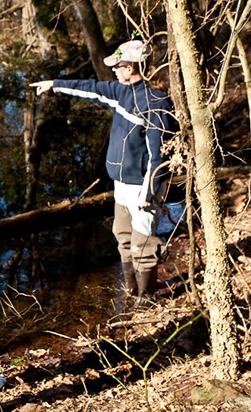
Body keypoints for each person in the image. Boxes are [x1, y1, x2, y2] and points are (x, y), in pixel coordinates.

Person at [30, 39, 173, 306]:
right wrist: (54, 84)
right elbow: (90, 88)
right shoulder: (121, 91)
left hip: (142, 188)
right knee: (123, 236)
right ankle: (131, 292)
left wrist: (149, 192)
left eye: (118, 66)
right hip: (121, 184)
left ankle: (147, 299)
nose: (114, 71)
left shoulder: (156, 102)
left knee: (144, 244)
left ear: (131, 67)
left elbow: (159, 155)